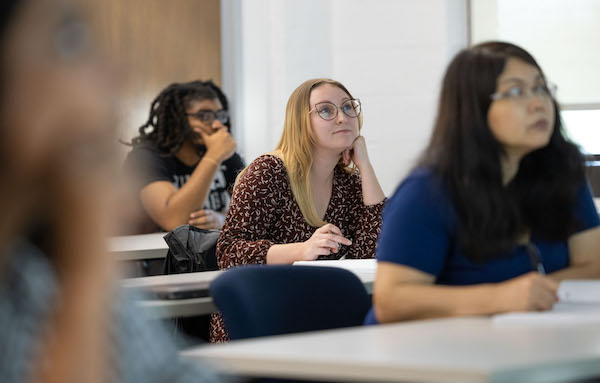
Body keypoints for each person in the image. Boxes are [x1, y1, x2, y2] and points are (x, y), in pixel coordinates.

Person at [0, 0, 227, 382]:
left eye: (219, 115)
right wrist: (87, 260)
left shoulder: (37, 276)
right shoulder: (151, 158)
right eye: (70, 40)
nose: (120, 74)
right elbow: (172, 217)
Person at [367, 41, 600, 325]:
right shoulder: (428, 191)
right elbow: (391, 301)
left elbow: (592, 265)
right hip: (428, 354)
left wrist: (536, 293)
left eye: (541, 88)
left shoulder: (561, 173)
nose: (539, 104)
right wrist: (501, 298)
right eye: (515, 92)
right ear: (474, 108)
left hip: (530, 339)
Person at [212, 78, 386, 342]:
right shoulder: (268, 172)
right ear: (301, 122)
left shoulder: (349, 183)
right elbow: (229, 252)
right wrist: (302, 250)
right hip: (261, 315)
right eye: (326, 110)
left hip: (314, 312)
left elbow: (369, 254)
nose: (343, 118)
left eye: (349, 107)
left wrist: (366, 166)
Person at [124, 80, 244, 233]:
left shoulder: (226, 156)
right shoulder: (145, 157)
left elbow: (257, 214)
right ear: (177, 120)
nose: (215, 124)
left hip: (210, 253)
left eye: (219, 115)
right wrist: (213, 156)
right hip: (157, 254)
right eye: (204, 116)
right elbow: (175, 221)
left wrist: (221, 219)